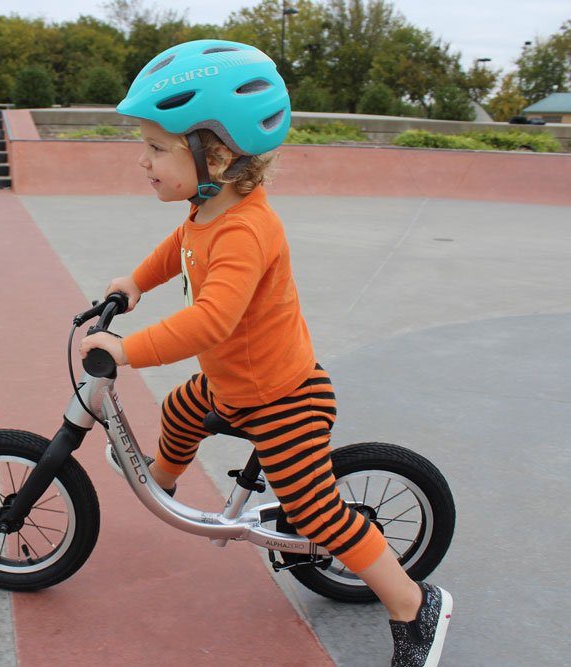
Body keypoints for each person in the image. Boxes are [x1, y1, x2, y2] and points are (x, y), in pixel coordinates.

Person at [77, 40, 452, 667]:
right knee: (180, 409)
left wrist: (125, 350)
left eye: (155, 148)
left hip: (282, 394)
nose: (143, 161)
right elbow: (180, 245)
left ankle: (414, 606)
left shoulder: (249, 230)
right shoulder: (208, 207)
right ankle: (161, 481)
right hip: (234, 384)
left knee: (316, 511)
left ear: (215, 154)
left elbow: (209, 322)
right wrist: (136, 281)